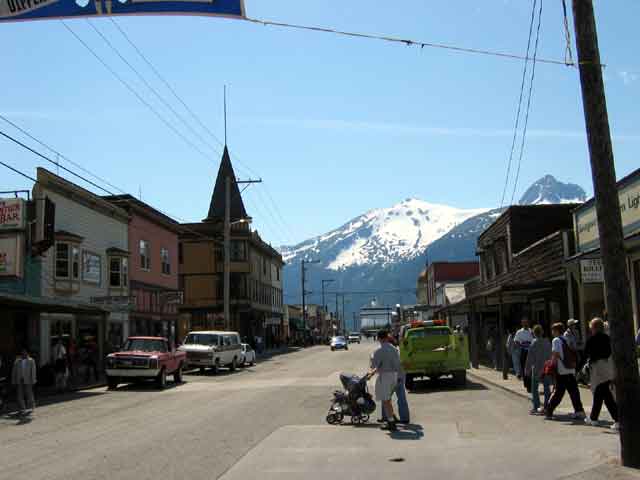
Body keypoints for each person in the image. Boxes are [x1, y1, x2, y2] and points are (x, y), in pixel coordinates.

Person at [545, 323, 586, 420]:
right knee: (574, 391)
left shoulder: (556, 340)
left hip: (561, 369)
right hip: (570, 369)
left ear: (556, 331)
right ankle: (579, 411)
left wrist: (551, 365)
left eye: (553, 330)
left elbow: (555, 353)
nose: (552, 332)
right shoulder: (566, 339)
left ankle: (549, 411)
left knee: (558, 392)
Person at [583, 318, 618, 430]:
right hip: (608, 366)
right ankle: (594, 418)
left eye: (591, 328)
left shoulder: (591, 340)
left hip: (597, 368)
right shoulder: (608, 338)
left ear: (594, 328)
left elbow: (585, 355)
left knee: (602, 392)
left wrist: (578, 369)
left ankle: (617, 420)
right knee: (602, 393)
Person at [369, 330, 401, 432]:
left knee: (386, 400)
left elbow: (373, 365)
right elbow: (398, 364)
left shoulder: (379, 350)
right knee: (388, 399)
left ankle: (391, 422)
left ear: (378, 338)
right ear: (387, 337)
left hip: (385, 376)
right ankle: (391, 418)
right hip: (394, 375)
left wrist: (371, 359)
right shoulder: (394, 348)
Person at [380, 333, 410, 424]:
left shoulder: (388, 350)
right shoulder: (396, 349)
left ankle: (387, 417)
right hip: (400, 376)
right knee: (401, 398)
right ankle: (404, 418)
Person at [524, 325, 552, 415]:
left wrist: (527, 369)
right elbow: (551, 355)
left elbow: (530, 358)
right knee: (546, 388)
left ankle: (536, 407)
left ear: (534, 334)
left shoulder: (533, 343)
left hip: (537, 368)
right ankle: (547, 406)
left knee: (534, 389)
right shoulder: (548, 342)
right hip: (547, 368)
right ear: (542, 332)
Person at [11, 347, 37, 415]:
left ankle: (32, 405)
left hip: (28, 379)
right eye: (22, 352)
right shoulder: (17, 361)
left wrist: (33, 380)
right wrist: (13, 380)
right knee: (19, 395)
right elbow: (14, 371)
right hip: (19, 380)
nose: (24, 353)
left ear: (27, 353)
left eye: (25, 352)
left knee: (29, 394)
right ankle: (23, 408)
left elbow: (33, 371)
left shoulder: (31, 360)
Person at [514, 318, 534, 390]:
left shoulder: (531, 331)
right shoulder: (519, 332)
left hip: (531, 351)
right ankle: (526, 383)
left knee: (531, 368)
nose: (525, 324)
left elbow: (535, 339)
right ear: (522, 324)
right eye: (524, 323)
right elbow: (516, 341)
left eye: (526, 322)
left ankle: (530, 384)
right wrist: (522, 345)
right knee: (524, 367)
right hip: (523, 351)